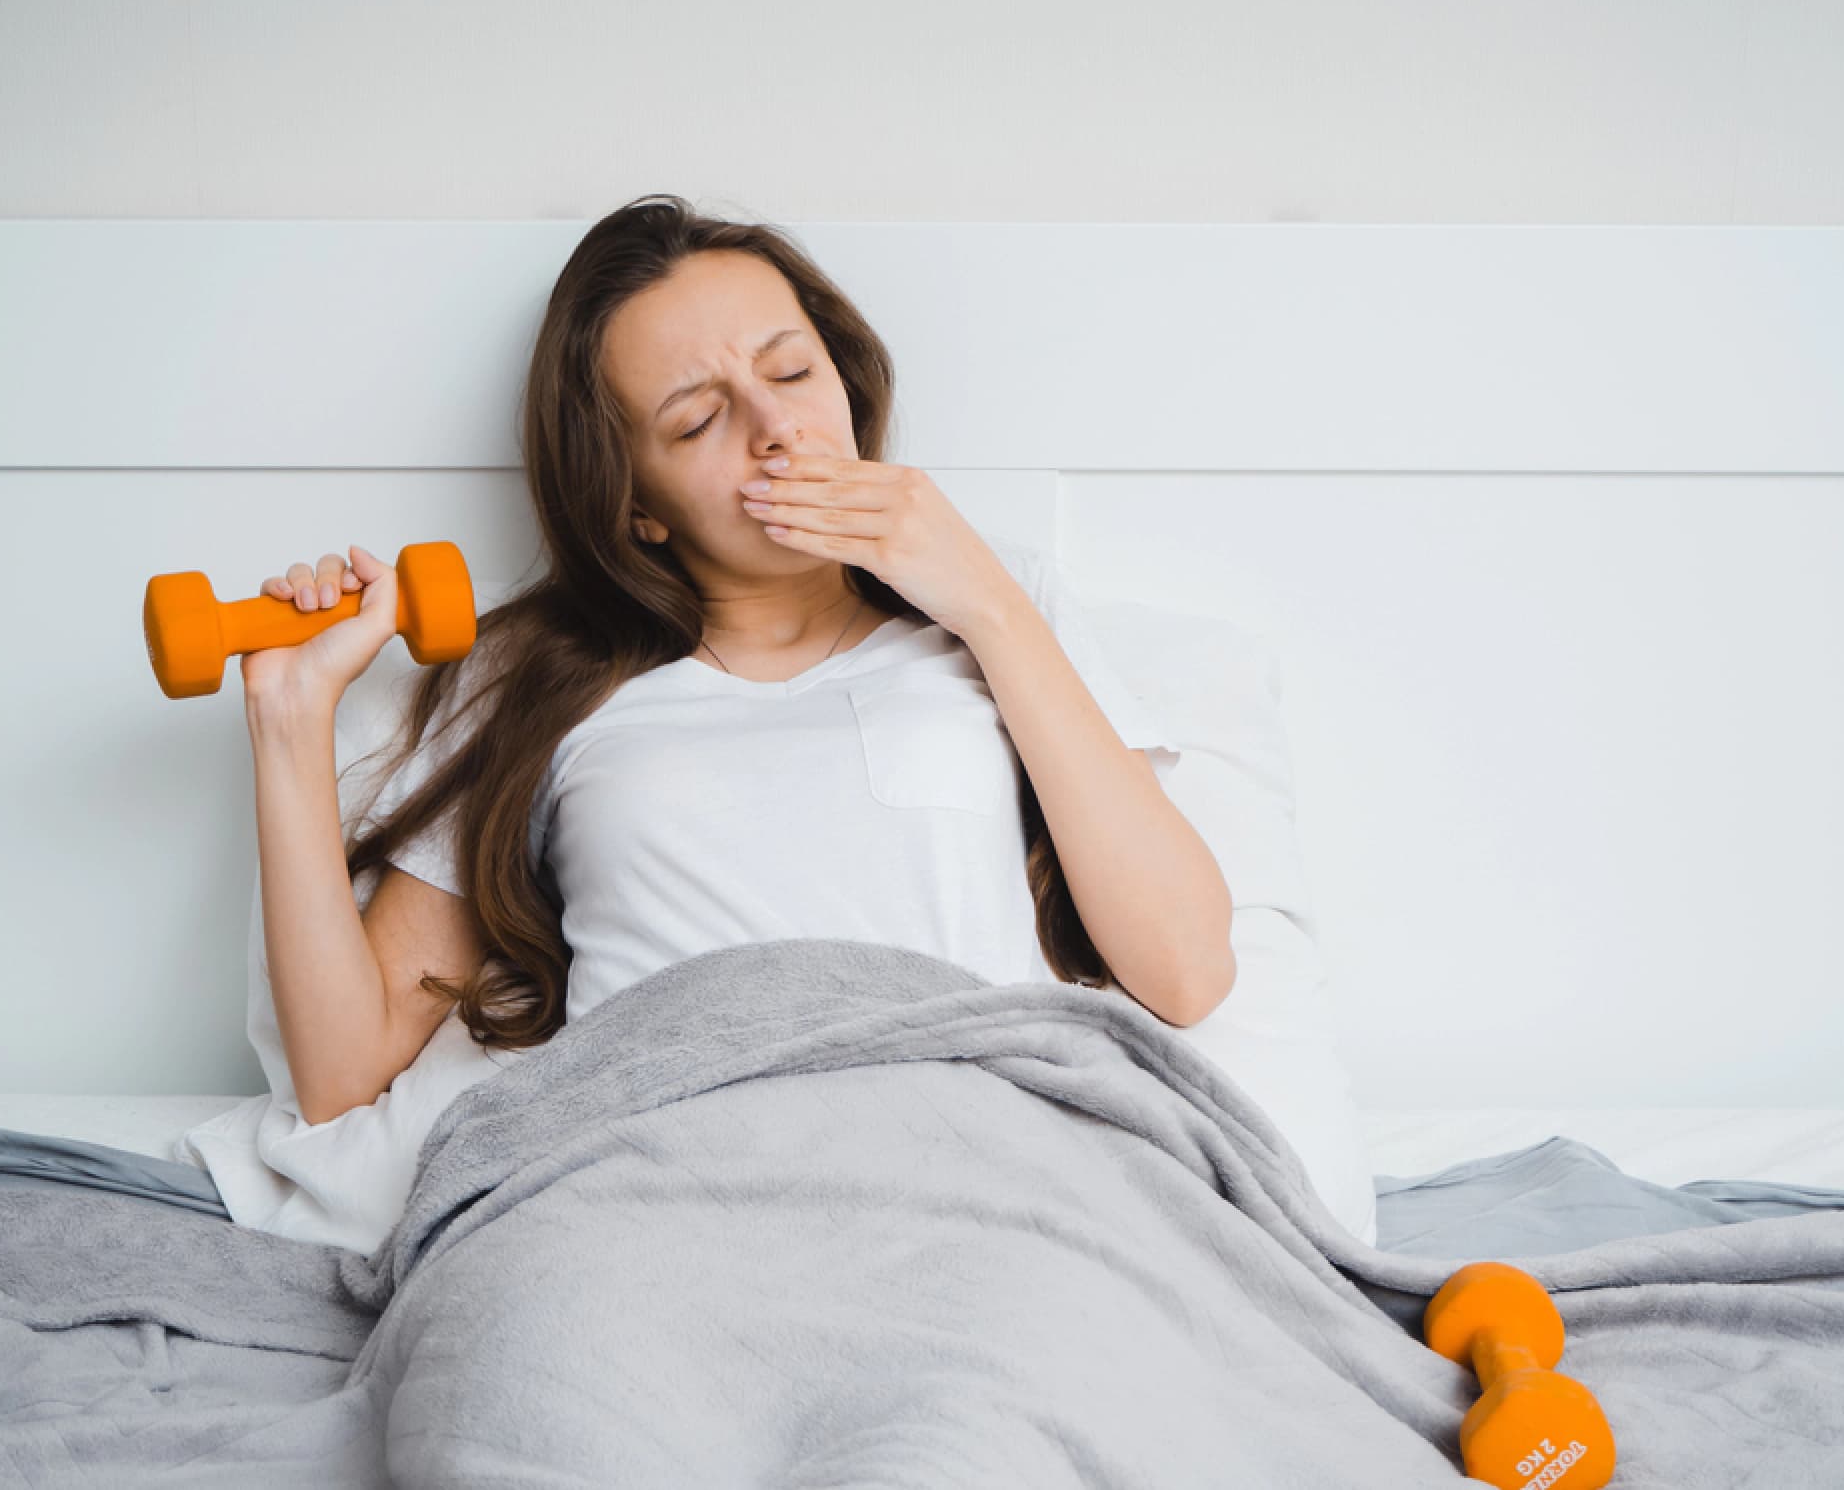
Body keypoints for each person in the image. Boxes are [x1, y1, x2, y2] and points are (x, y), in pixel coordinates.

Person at [240, 193, 1235, 1128]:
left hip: (956, 1141)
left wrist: (982, 603)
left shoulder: (996, 603)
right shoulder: (532, 673)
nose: (776, 431)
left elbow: (1184, 972)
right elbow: (340, 1078)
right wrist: (291, 721)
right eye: (697, 418)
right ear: (636, 504)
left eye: (791, 372)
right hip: (656, 1157)